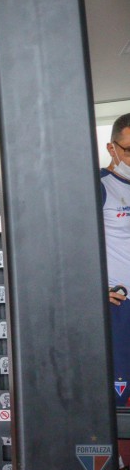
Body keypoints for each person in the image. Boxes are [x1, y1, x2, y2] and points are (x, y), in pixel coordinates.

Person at [101, 113, 130, 410]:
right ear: (112, 148)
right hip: (120, 303)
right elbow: (74, 247)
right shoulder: (99, 186)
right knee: (118, 391)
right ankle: (109, 457)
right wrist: (92, 290)